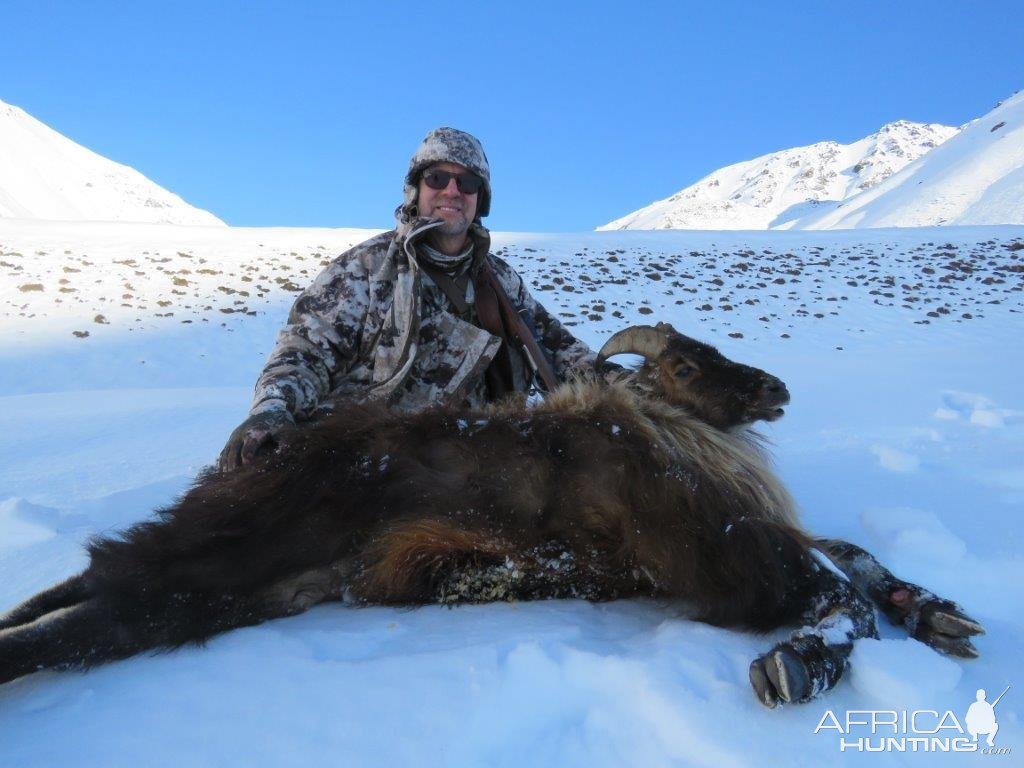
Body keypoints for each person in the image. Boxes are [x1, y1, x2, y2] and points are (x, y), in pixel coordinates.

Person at [218, 127, 597, 471]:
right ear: (415, 189)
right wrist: (272, 410)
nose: (452, 191)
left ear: (480, 200)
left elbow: (556, 346)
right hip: (363, 459)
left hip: (469, 465)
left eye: (467, 182)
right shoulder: (365, 268)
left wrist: (617, 378)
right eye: (437, 178)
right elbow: (303, 355)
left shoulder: (501, 280)